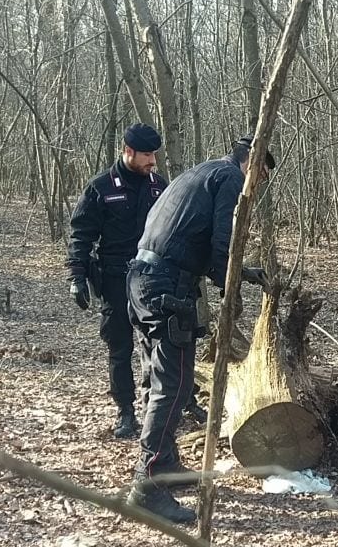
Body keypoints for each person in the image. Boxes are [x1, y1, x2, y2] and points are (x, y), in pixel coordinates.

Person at [124, 136, 273, 523]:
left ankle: (167, 464)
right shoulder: (228, 180)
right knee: (173, 387)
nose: (257, 188)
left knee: (156, 380)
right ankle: (149, 483)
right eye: (260, 177)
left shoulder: (202, 172)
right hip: (168, 289)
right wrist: (231, 283)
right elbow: (224, 244)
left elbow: (188, 239)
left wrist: (245, 274)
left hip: (142, 278)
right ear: (250, 165)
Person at [66, 123, 168, 440]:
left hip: (152, 280)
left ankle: (164, 406)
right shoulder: (101, 187)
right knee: (119, 346)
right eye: (147, 154)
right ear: (128, 151)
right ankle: (125, 411)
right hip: (115, 278)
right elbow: (81, 235)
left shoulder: (158, 187)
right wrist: (77, 277)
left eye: (155, 154)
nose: (153, 161)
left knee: (162, 343)